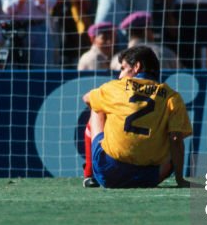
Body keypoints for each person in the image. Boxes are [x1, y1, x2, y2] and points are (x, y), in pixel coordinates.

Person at [81, 45, 192, 189]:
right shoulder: (172, 96)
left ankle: (89, 174)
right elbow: (176, 140)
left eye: (123, 68)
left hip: (108, 172)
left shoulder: (115, 87)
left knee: (97, 107)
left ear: (137, 67)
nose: (120, 75)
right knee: (171, 133)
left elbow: (86, 98)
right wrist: (179, 179)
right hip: (149, 178)